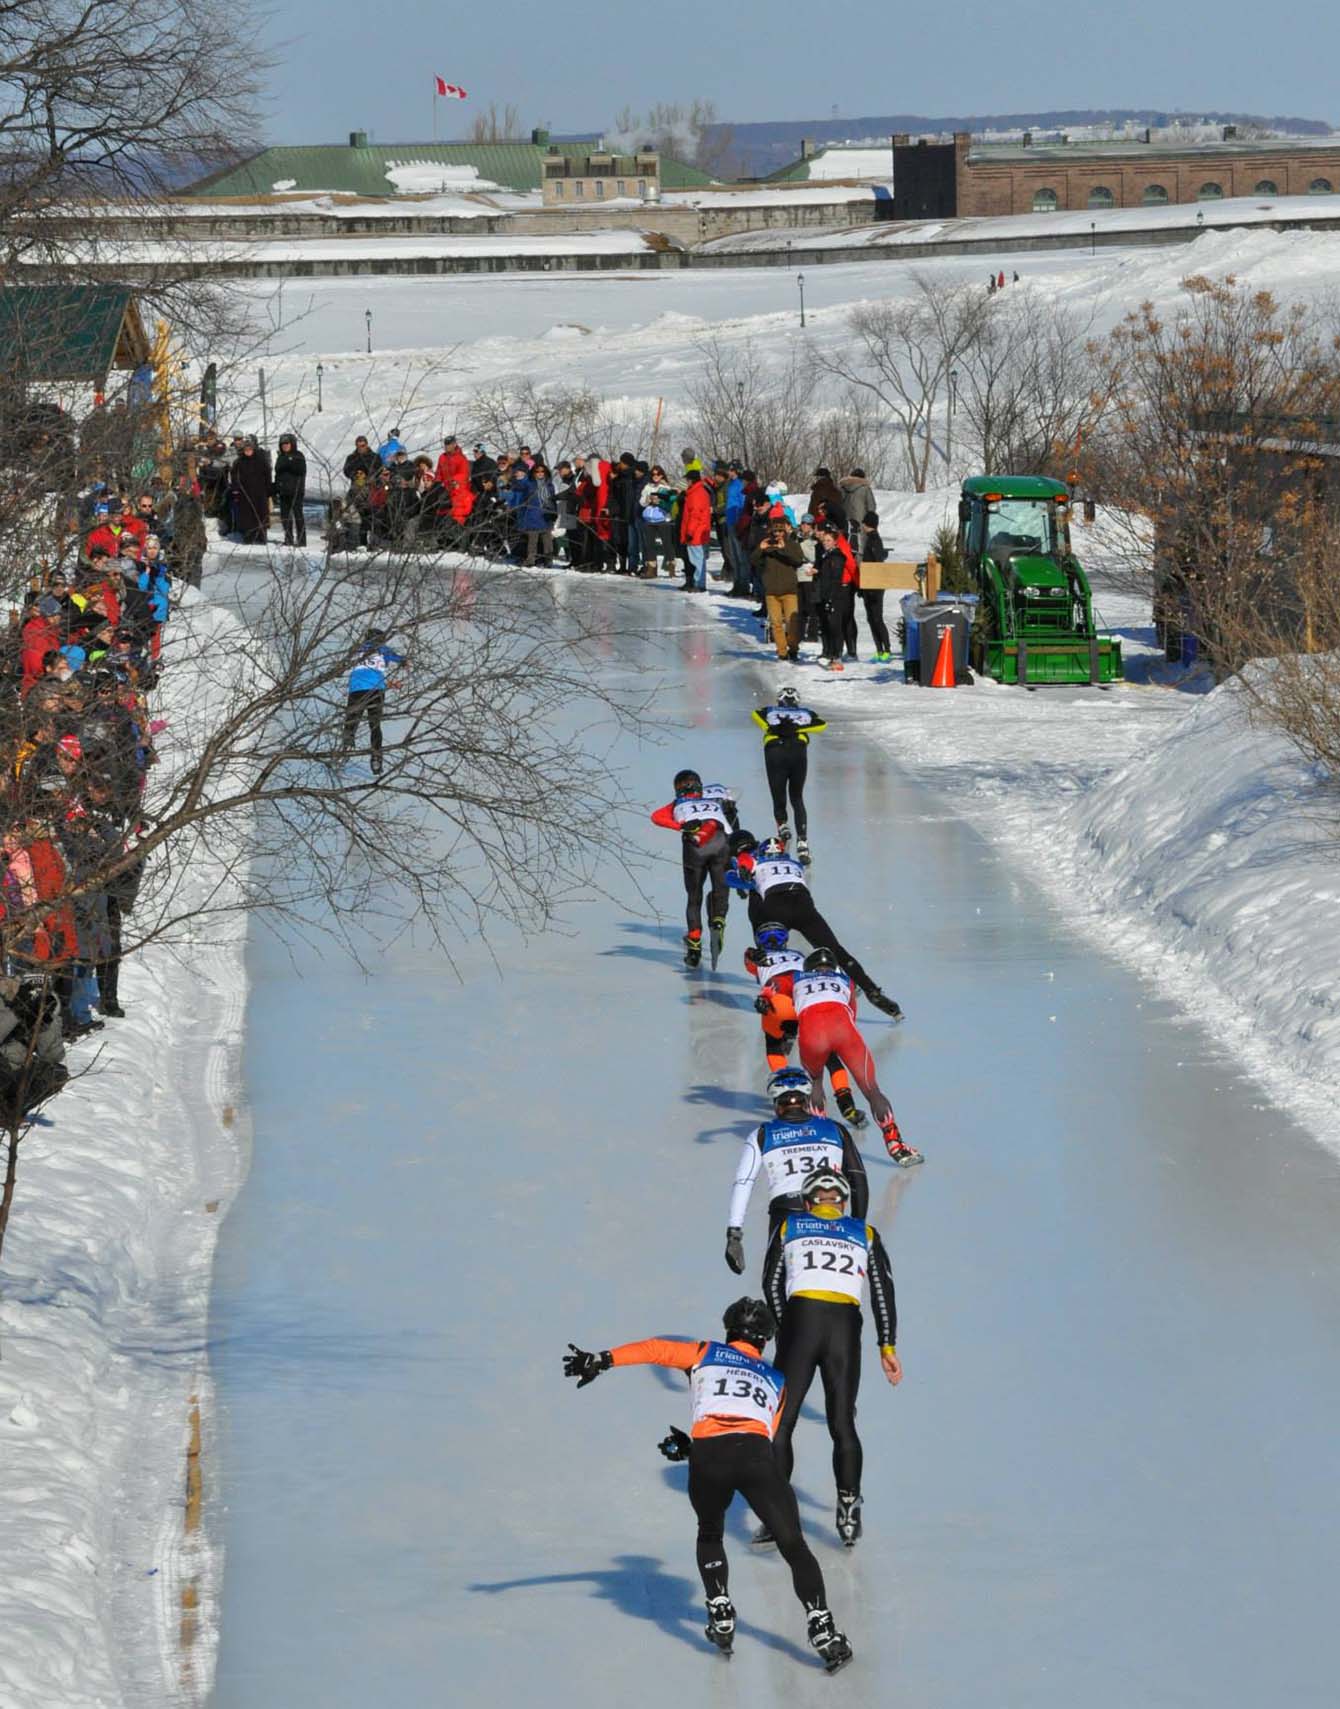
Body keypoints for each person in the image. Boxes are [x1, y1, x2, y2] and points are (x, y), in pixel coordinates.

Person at [562, 1296, 853, 1671]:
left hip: (708, 1457)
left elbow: (655, 1349)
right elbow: (760, 1433)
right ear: (764, 1340)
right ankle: (822, 1628)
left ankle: (720, 1606)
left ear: (729, 1330)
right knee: (794, 1546)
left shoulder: (704, 1352)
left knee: (710, 1531)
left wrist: (602, 1359)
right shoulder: (777, 1380)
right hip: (756, 1457)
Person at [762, 1164, 900, 1549]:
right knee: (842, 1423)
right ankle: (849, 1509)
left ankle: (777, 1514)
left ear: (808, 1203)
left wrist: (785, 1328)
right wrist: (887, 1345)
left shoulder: (790, 1226)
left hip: (801, 1323)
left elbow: (771, 1284)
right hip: (844, 1329)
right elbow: (883, 1292)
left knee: (780, 1423)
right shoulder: (864, 1232)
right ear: (843, 1202)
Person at [726, 831, 902, 1017]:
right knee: (837, 951)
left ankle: (774, 996)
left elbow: (739, 869)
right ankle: (872, 991)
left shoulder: (758, 861)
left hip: (775, 907)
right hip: (804, 907)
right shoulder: (794, 863)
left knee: (769, 954)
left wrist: (742, 872)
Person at [724, 1066, 869, 1277]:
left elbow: (743, 1182)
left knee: (775, 1283)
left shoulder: (762, 1135)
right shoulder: (835, 1129)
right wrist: (858, 1227)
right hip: (830, 1211)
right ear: (806, 1100)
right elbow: (858, 1178)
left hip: (786, 1214)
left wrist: (734, 1234)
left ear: (776, 1103)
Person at [789, 948, 921, 1163]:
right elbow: (852, 1013)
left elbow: (782, 1002)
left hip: (813, 1033)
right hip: (844, 1032)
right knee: (872, 1090)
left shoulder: (795, 978)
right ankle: (895, 1143)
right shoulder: (846, 980)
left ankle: (821, 1145)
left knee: (815, 1083)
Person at [745, 927, 872, 1127]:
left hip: (778, 1001)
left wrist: (751, 958)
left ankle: (788, 1093)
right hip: (805, 1003)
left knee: (773, 1046)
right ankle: (846, 1103)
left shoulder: (762, 957)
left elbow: (751, 963)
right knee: (830, 1057)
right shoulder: (799, 955)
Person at [650, 769, 737, 967]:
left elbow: (656, 817)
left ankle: (695, 945)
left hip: (695, 847)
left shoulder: (677, 804)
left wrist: (681, 826)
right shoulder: (714, 802)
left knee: (694, 897)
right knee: (720, 888)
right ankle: (718, 919)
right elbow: (732, 830)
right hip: (721, 842)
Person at [751, 685, 824, 861]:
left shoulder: (768, 710)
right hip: (797, 750)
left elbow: (755, 715)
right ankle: (802, 841)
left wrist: (775, 729)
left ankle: (782, 825)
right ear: (797, 701)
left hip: (775, 750)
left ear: (779, 700)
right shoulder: (807, 712)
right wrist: (797, 729)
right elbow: (822, 725)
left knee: (778, 794)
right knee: (797, 797)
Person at [341, 628, 406, 776]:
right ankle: (376, 757)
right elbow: (398, 659)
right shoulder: (383, 650)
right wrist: (405, 662)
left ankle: (345, 749)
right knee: (375, 724)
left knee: (351, 721)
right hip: (376, 690)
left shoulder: (356, 649)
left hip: (357, 689)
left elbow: (361, 669)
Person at [752, 521, 804, 661]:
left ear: (785, 532)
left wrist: (783, 549)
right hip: (771, 591)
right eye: (775, 531)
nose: (778, 534)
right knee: (776, 624)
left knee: (792, 623)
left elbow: (798, 561)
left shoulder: (792, 544)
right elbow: (753, 561)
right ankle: (782, 652)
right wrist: (760, 549)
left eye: (780, 531)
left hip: (789, 590)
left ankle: (793, 648)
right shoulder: (767, 546)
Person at [856, 512, 894, 662]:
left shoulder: (874, 540)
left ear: (867, 524)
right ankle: (879, 649)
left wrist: (872, 585)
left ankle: (886, 649)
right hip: (869, 585)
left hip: (875, 586)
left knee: (877, 618)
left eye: (864, 523)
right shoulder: (870, 539)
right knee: (871, 618)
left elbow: (877, 562)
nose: (862, 526)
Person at [678, 469, 713, 591]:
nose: (686, 482)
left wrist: (690, 532)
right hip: (698, 530)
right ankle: (697, 583)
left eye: (687, 480)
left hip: (696, 532)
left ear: (691, 480)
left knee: (697, 559)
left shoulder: (696, 493)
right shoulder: (696, 492)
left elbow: (695, 515)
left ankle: (699, 584)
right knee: (696, 558)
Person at [273, 431, 307, 547]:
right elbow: (277, 473)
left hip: (296, 491)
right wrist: (276, 488)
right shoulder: (280, 457)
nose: (285, 446)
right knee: (285, 517)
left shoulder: (298, 455)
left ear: (292, 444)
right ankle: (288, 539)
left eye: (287, 443)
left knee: (298, 516)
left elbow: (301, 470)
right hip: (283, 492)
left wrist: (289, 462)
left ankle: (301, 540)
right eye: (283, 444)